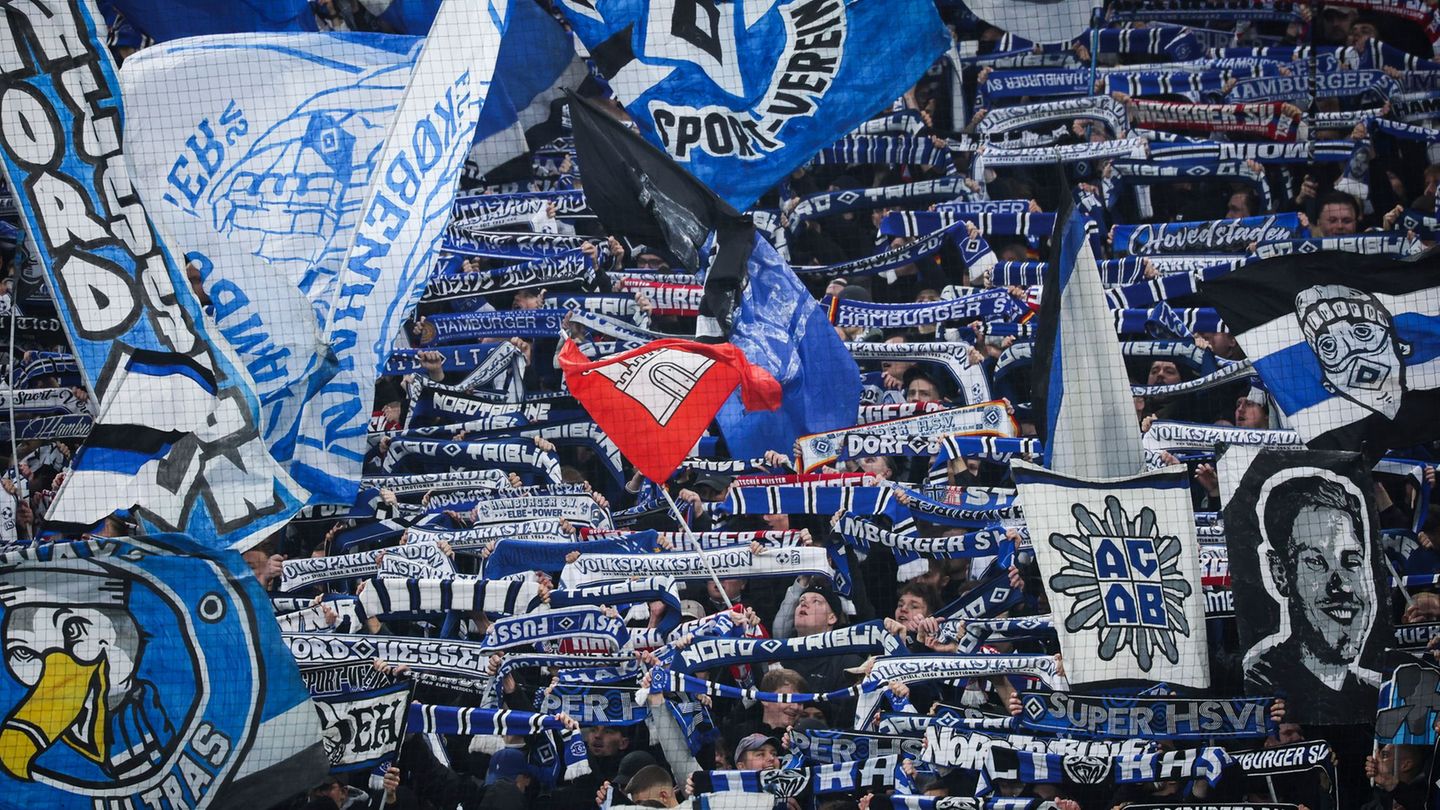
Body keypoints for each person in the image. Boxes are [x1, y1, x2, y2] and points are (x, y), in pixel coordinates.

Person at [1247, 474, 1378, 718]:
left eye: (1351, 561)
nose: (1343, 585)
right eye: (1317, 562)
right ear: (1280, 573)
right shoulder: (1259, 683)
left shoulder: (1375, 695)